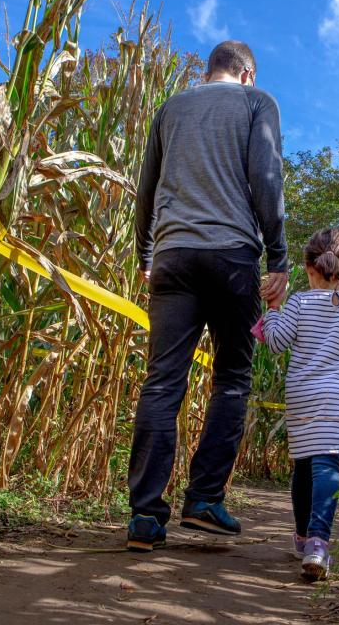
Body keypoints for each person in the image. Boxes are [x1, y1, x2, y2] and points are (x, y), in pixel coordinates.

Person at [126, 40, 288, 552]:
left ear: (209, 70)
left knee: (161, 382)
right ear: (247, 73)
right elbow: (265, 177)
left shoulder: (171, 107)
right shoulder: (257, 102)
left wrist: (145, 255)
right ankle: (202, 499)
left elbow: (145, 190)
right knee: (233, 378)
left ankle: (146, 518)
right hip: (232, 255)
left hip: (173, 256)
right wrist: (278, 256)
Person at [261, 228, 339, 581]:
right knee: (327, 468)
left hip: (302, 400)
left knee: (304, 468)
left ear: (308, 268)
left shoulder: (298, 303)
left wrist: (273, 309)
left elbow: (276, 343)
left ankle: (303, 536)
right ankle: (318, 544)